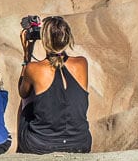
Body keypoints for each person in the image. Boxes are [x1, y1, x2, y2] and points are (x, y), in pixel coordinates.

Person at [17, 15, 92, 154]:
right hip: (80, 143)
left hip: (41, 145)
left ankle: (20, 151)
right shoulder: (82, 63)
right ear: (67, 38)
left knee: (26, 100)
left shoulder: (33, 69)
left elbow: (22, 93)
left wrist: (26, 56)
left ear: (44, 41)